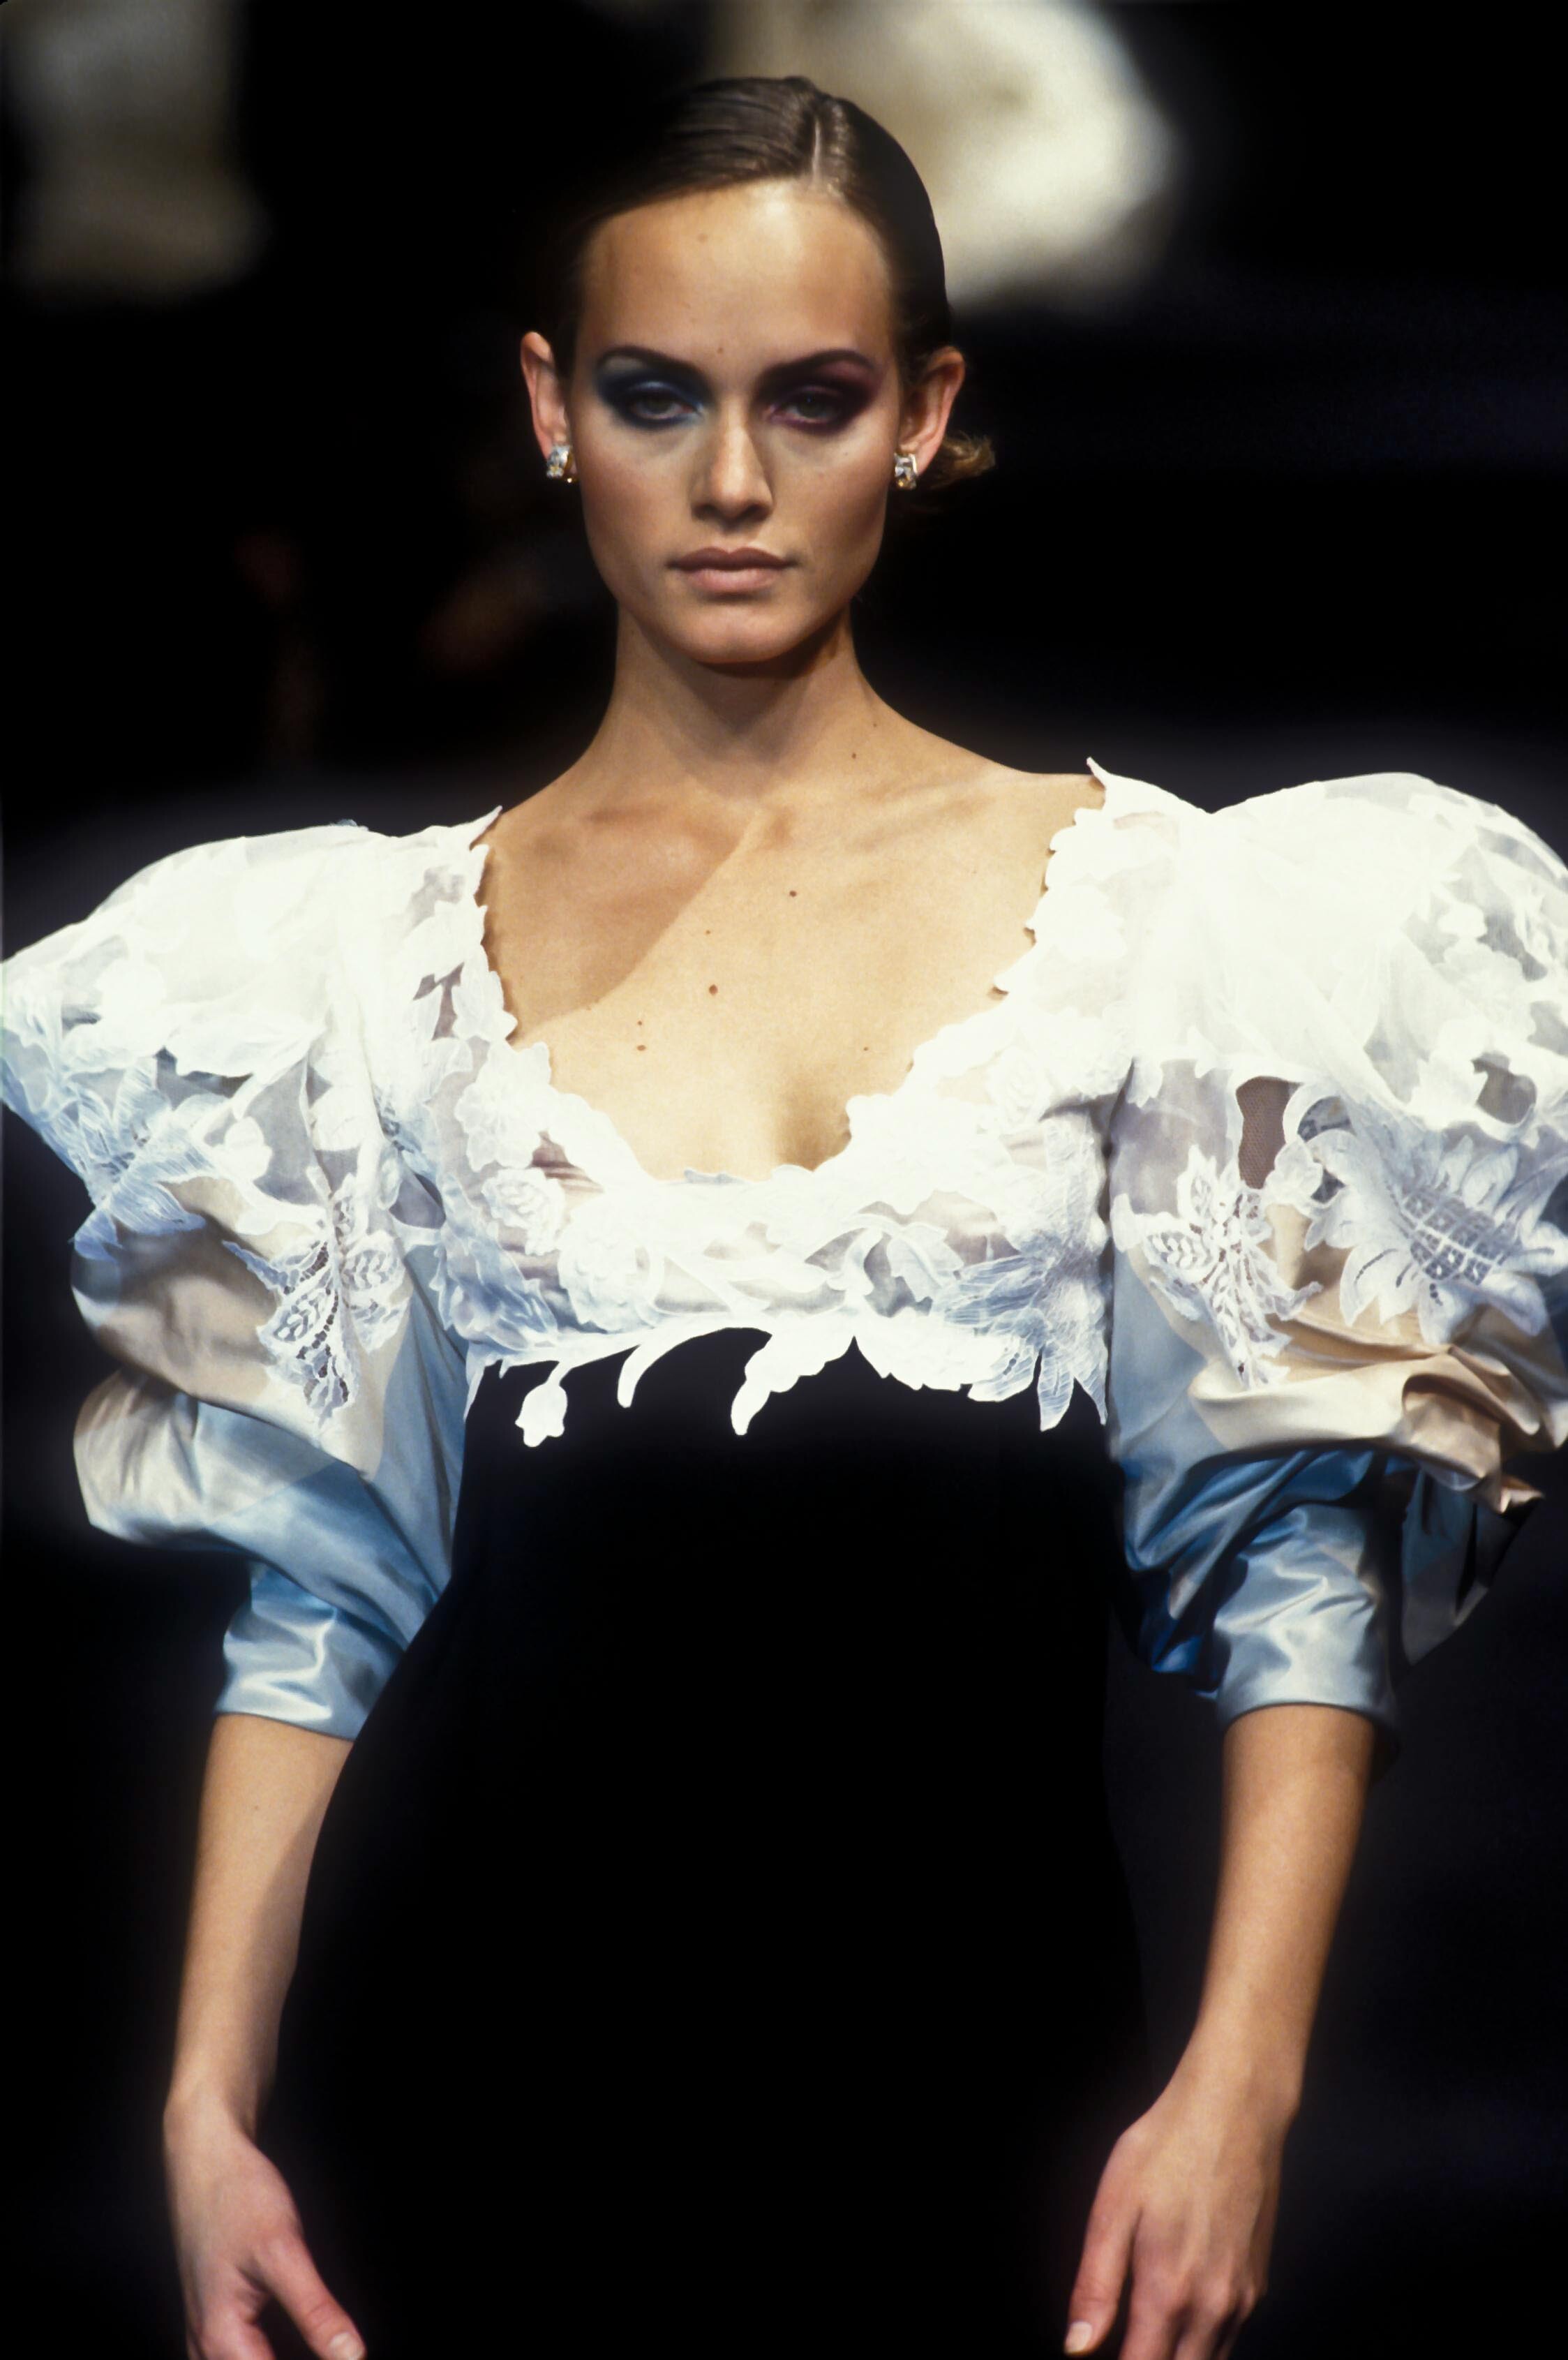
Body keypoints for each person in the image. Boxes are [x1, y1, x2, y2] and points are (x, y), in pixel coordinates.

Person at [3, 73, 1565, 2360]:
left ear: (923, 416)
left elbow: (1296, 1576)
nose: (731, 481)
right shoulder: (365, 968)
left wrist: (1243, 2088)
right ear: (554, 411)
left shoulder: (1170, 926)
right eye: (658, 396)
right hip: (462, 2121)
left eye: (811, 400)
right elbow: (318, 1597)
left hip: (988, 2113)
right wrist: (204, 2112)